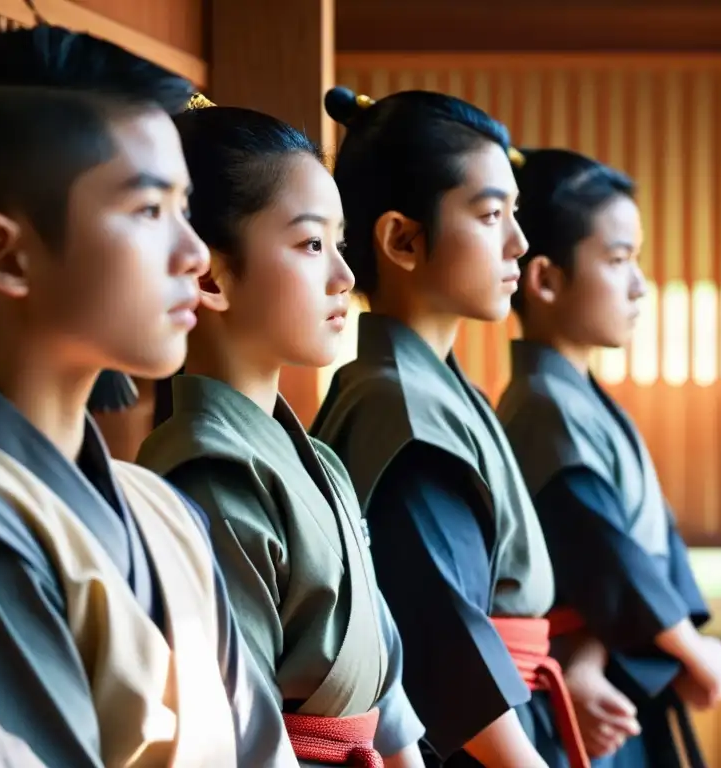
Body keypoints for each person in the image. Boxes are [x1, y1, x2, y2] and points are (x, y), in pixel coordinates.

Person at [0, 26, 296, 767]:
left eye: (185, 208)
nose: (194, 253)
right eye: (146, 210)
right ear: (7, 254)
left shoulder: (163, 508)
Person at [137, 101, 426, 768]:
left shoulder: (318, 460)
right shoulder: (208, 468)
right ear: (211, 274)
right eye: (311, 244)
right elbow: (241, 723)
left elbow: (383, 681)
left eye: (341, 243)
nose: (345, 279)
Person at [310, 87, 588, 768]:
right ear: (403, 238)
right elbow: (441, 636)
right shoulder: (399, 410)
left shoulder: (423, 389)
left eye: (515, 214)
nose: (519, 243)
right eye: (492, 214)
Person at [497, 148, 721, 767]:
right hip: (586, 697)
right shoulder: (543, 408)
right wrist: (688, 649)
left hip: (608, 669)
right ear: (545, 279)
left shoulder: (574, 399)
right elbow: (606, 558)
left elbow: (652, 541)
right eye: (618, 259)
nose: (639, 285)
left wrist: (678, 644)